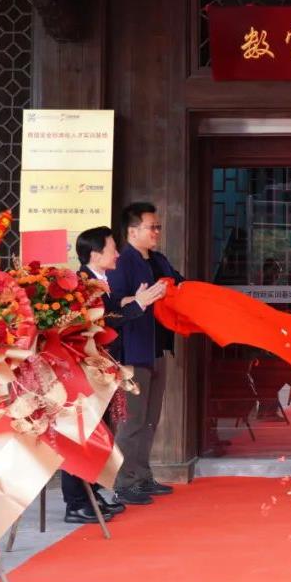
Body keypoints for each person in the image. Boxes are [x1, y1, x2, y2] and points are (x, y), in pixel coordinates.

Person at [61, 226, 165, 523]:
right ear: (96, 254)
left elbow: (109, 313)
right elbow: (106, 321)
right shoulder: (80, 284)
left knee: (99, 433)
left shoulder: (100, 281)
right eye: (112, 249)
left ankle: (92, 493)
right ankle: (75, 502)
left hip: (102, 370)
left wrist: (135, 301)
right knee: (82, 435)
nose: (117, 254)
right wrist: (140, 304)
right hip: (85, 372)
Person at [108, 203, 183, 506]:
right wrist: (137, 300)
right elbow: (113, 306)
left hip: (157, 349)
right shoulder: (122, 262)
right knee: (132, 421)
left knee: (151, 419)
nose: (156, 232)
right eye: (152, 227)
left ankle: (142, 475)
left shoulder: (159, 260)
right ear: (132, 231)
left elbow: (180, 284)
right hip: (133, 352)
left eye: (158, 227)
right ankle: (123, 482)